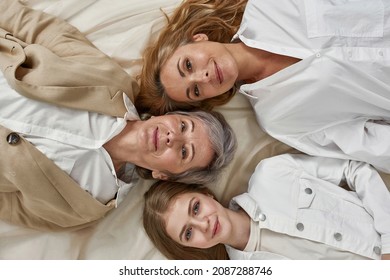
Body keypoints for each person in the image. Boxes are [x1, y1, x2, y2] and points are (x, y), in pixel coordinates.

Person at [0, 0, 237, 231]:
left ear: (163, 175)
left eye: (184, 152)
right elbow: (41, 30)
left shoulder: (85, 209)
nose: (172, 137)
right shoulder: (111, 81)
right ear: (169, 115)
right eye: (184, 126)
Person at [136, 0, 390, 174]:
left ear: (198, 38)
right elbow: (371, 144)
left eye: (188, 65)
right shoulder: (279, 119)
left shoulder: (268, 7)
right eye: (195, 91)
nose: (202, 77)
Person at [143, 153, 390, 260]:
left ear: (206, 194)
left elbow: (354, 169)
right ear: (190, 247)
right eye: (188, 233)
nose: (203, 224)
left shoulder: (272, 173)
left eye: (195, 208)